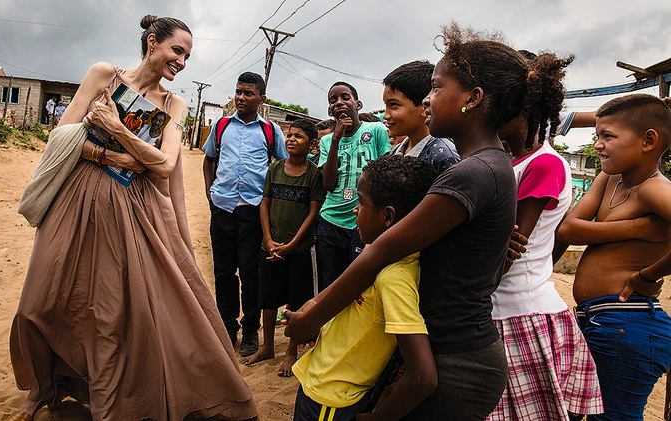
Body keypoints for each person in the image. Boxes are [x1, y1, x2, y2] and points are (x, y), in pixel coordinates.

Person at [286, 23, 574, 420]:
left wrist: (311, 317)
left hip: (459, 363)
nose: (426, 99)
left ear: (473, 99)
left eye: (437, 88)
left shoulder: (472, 173)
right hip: (455, 349)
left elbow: (381, 250)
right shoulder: (493, 166)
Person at [6, 15, 257, 421]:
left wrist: (117, 131)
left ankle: (94, 393)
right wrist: (115, 156)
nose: (182, 62)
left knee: (108, 313)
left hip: (130, 212)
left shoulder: (175, 103)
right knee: (41, 299)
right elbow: (63, 132)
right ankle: (42, 386)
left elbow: (164, 163)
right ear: (152, 42)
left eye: (188, 56)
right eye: (177, 50)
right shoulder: (104, 75)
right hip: (74, 201)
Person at [489, 52, 604, 421]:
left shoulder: (544, 163)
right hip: (502, 309)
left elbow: (510, 247)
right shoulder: (510, 160)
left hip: (518, 315)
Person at [293, 155, 438, 421]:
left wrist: (380, 418)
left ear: (387, 217)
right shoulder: (379, 253)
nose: (354, 210)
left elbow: (423, 377)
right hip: (324, 387)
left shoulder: (395, 279)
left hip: (332, 401)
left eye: (360, 202)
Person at [557, 93, 671, 421]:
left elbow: (578, 229)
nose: (598, 145)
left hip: (628, 323)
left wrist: (647, 276)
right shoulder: (610, 179)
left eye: (608, 136)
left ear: (648, 140)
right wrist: (637, 228)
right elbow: (569, 230)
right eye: (597, 136)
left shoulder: (654, 189)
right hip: (602, 321)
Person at [202, 71, 288, 357]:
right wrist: (209, 193)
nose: (241, 97)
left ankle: (250, 329)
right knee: (224, 271)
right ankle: (228, 326)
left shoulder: (270, 131)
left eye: (248, 93)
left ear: (261, 99)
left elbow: (282, 165)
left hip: (253, 211)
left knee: (251, 272)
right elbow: (209, 160)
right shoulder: (222, 125)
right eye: (238, 91)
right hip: (223, 207)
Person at [243, 119, 326, 376]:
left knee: (296, 300)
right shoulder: (275, 169)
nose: (291, 139)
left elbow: (313, 213)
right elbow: (264, 204)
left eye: (298, 136)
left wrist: (292, 244)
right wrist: (268, 240)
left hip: (299, 250)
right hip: (270, 248)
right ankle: (267, 346)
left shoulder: (314, 174)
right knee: (267, 298)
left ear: (312, 144)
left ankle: (291, 351)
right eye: (289, 135)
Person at [318, 81, 391, 288]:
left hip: (365, 221)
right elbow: (329, 184)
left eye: (345, 97)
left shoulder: (376, 130)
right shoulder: (326, 141)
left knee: (361, 284)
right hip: (332, 221)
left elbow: (385, 173)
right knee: (331, 282)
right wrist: (335, 140)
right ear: (329, 110)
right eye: (333, 101)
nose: (339, 103)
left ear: (358, 104)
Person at [383, 60, 460, 172]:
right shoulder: (394, 154)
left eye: (393, 105)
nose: (385, 115)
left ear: (425, 107)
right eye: (385, 105)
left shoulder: (443, 156)